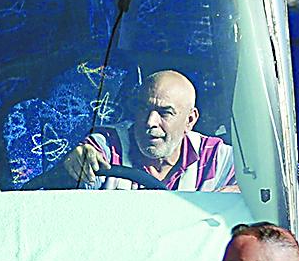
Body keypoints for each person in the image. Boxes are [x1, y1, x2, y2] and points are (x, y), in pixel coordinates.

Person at [65, 70, 240, 191]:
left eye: (165, 113)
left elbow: (263, 188)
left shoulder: (215, 158)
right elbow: (87, 157)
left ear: (190, 120)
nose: (150, 122)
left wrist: (242, 193)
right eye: (143, 109)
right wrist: (79, 159)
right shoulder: (109, 147)